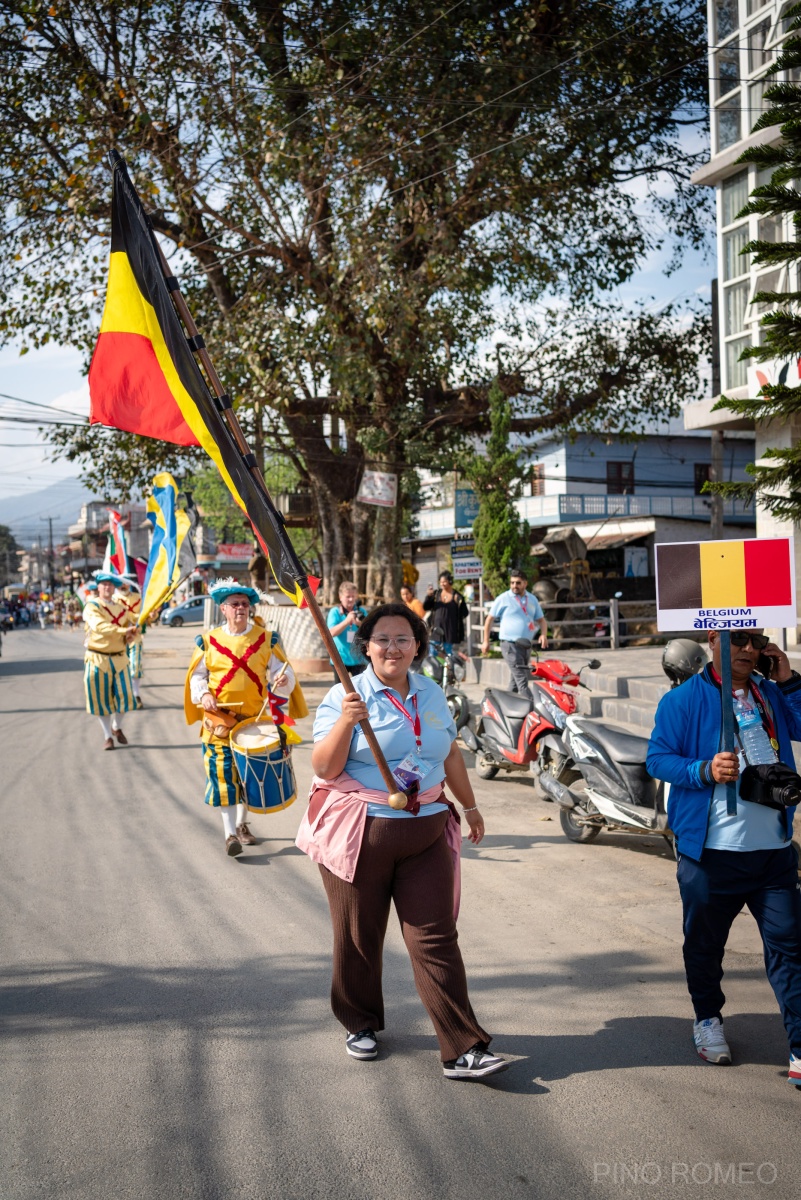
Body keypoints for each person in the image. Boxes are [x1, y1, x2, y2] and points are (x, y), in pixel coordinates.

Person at [296, 601, 508, 1080]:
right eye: (383, 640)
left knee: (436, 937)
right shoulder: (345, 696)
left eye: (403, 639)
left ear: (417, 647)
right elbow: (324, 768)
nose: (393, 647)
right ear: (366, 648)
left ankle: (462, 1047)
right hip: (359, 831)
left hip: (427, 826)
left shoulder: (432, 693)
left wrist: (470, 806)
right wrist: (349, 721)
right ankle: (360, 1022)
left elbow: (448, 752)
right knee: (358, 935)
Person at [647, 630, 801, 1088]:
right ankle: (707, 1018)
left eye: (759, 640)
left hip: (772, 851)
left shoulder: (769, 693)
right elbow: (658, 759)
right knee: (704, 945)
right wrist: (703, 770)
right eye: (741, 639)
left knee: (791, 950)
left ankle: (799, 1046)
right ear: (715, 638)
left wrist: (789, 678)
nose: (750, 649)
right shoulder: (682, 701)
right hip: (711, 854)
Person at [184, 578, 308, 857]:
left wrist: (281, 678)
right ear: (223, 609)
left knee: (248, 779)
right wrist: (203, 694)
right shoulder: (208, 641)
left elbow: (284, 672)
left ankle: (240, 825)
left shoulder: (265, 638)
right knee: (223, 776)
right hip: (218, 722)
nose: (241, 608)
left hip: (254, 722)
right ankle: (230, 834)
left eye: (245, 604)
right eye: (235, 604)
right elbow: (198, 675)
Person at [83, 572, 137, 750]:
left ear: (114, 587)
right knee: (101, 700)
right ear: (98, 587)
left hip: (120, 658)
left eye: (110, 584)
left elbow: (134, 622)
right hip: (97, 658)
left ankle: (116, 727)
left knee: (126, 698)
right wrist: (123, 631)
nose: (107, 587)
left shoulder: (122, 609)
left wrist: (148, 616)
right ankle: (107, 736)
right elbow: (99, 626)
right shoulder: (92, 607)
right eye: (103, 584)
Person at [481, 567, 548, 695]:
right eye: (512, 583)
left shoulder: (532, 599)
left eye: (518, 583)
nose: (514, 586)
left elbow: (542, 620)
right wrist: (485, 641)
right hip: (509, 645)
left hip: (526, 645)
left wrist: (544, 635)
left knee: (515, 682)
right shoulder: (503, 598)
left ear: (525, 583)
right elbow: (489, 620)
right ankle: (531, 710)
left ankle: (506, 707)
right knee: (522, 680)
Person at [326, 580, 368, 682]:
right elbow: (330, 633)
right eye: (348, 597)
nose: (351, 599)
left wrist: (360, 624)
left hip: (359, 659)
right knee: (340, 691)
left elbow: (371, 632)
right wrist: (347, 621)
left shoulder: (361, 612)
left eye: (353, 596)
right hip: (340, 659)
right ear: (340, 597)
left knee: (360, 690)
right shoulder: (335, 612)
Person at [114, 579, 145, 709]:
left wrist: (151, 615)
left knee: (136, 665)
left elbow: (146, 615)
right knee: (118, 668)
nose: (123, 585)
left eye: (125, 582)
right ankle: (120, 696)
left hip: (135, 637)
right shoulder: (113, 599)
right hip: (118, 639)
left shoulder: (138, 598)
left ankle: (136, 694)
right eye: (120, 582)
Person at [423, 571, 468, 653]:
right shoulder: (436, 594)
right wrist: (429, 597)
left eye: (444, 582)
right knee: (433, 653)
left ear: (450, 581)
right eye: (440, 582)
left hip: (450, 632)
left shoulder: (457, 596)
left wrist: (458, 605)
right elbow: (426, 607)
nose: (442, 584)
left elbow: (465, 613)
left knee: (447, 655)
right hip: (436, 631)